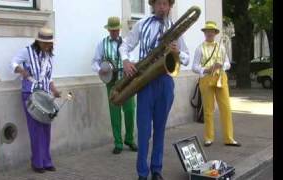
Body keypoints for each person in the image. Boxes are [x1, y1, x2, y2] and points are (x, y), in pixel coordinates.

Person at [119, 0, 190, 179]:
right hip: (145, 83)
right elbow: (124, 45)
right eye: (159, 3)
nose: (162, 7)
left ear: (170, 6)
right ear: (152, 5)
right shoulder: (141, 24)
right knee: (144, 132)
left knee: (160, 129)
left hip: (165, 81)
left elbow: (187, 58)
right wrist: (126, 61)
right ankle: (142, 173)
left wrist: (177, 52)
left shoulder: (175, 28)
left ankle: (156, 170)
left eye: (165, 4)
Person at [11, 27, 61, 173]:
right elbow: (13, 63)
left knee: (46, 129)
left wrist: (55, 90)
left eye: (49, 43)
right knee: (35, 129)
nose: (47, 46)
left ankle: (47, 161)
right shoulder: (27, 52)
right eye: (45, 43)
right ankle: (37, 162)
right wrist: (21, 71)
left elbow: (49, 78)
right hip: (30, 95)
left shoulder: (50, 56)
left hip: (45, 95)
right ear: (38, 41)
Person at [92, 17, 138, 154]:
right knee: (115, 113)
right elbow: (95, 61)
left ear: (119, 29)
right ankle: (118, 142)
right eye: (112, 30)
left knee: (130, 111)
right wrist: (100, 69)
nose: (114, 32)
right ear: (108, 30)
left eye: (116, 30)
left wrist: (130, 64)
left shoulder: (126, 43)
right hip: (111, 83)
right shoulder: (102, 44)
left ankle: (129, 139)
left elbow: (133, 59)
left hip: (126, 81)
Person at [192, 21, 241, 147]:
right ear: (204, 33)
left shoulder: (221, 47)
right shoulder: (199, 48)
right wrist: (205, 70)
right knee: (208, 110)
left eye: (212, 31)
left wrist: (221, 65)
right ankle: (209, 137)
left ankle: (229, 138)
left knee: (226, 108)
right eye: (207, 31)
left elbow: (228, 64)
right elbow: (194, 66)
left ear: (215, 33)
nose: (209, 33)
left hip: (221, 78)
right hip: (206, 79)